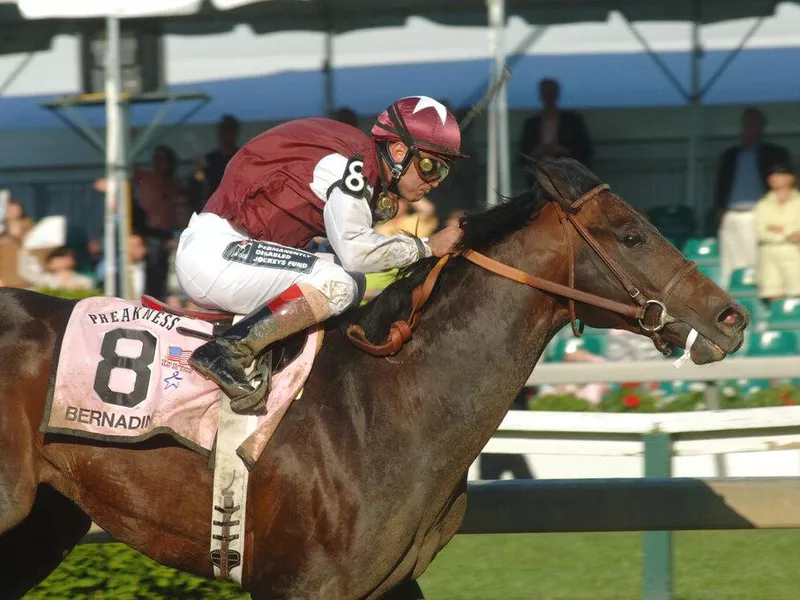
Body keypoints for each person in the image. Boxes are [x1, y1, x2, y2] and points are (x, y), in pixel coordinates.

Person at [175, 96, 467, 400]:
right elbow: (356, 251)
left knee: (351, 281)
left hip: (226, 248)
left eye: (443, 173)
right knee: (339, 283)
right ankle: (228, 351)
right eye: (430, 167)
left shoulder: (356, 158)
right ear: (398, 151)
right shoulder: (352, 165)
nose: (434, 182)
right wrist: (428, 246)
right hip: (217, 253)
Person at [714, 107, 791, 286]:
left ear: (762, 127)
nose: (751, 128)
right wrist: (720, 210)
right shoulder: (730, 155)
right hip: (731, 214)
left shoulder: (773, 154)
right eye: (748, 124)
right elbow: (720, 185)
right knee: (730, 264)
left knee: (753, 263)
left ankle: (752, 302)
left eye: (755, 124)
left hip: (757, 213)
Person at [519, 78, 593, 180]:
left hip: (567, 176)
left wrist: (563, 151)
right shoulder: (531, 124)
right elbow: (521, 155)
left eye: (551, 92)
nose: (549, 96)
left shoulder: (572, 121)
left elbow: (586, 151)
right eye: (547, 92)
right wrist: (536, 153)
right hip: (538, 177)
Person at [754, 164, 800, 302]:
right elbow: (761, 231)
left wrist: (776, 229)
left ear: (790, 178)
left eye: (778, 175)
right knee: (773, 295)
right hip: (769, 255)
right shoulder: (763, 203)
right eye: (771, 175)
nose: (773, 179)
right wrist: (788, 234)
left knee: (796, 293)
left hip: (794, 254)